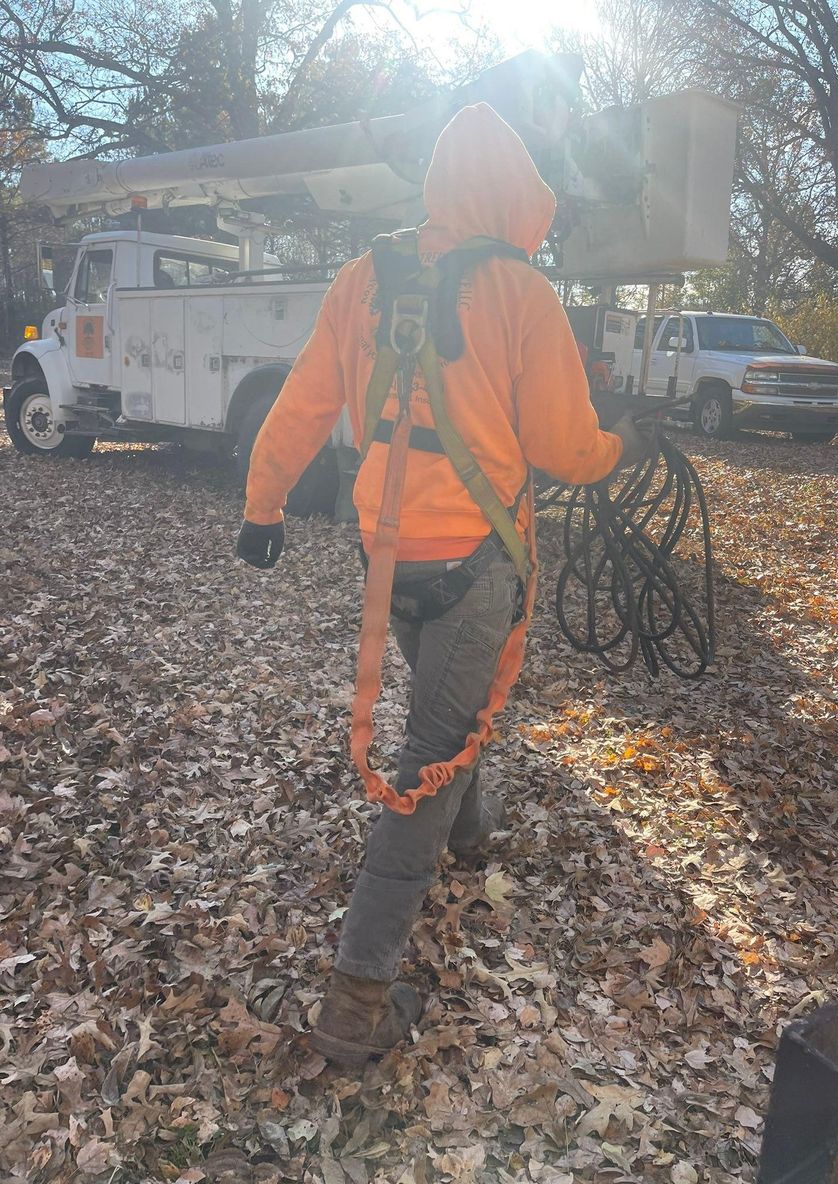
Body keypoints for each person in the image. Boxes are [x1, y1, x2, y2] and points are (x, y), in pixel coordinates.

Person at [237, 102, 650, 1069]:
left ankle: (471, 830)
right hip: (472, 562)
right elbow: (564, 449)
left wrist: (264, 510)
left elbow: (302, 404)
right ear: (516, 196)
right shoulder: (519, 290)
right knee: (425, 762)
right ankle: (355, 999)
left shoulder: (363, 279)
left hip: (387, 557)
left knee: (444, 709)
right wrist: (625, 445)